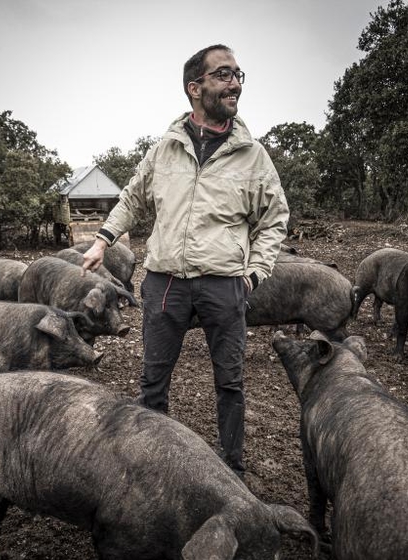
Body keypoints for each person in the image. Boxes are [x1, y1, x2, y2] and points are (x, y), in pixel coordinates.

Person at [82, 44, 289, 478]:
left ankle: (231, 468)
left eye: (238, 75)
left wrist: (254, 274)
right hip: (165, 281)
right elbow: (133, 197)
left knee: (230, 382)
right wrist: (103, 239)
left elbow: (274, 219)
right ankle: (151, 462)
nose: (234, 83)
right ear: (195, 88)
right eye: (223, 75)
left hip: (224, 284)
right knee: (153, 378)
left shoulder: (253, 155)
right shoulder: (165, 149)